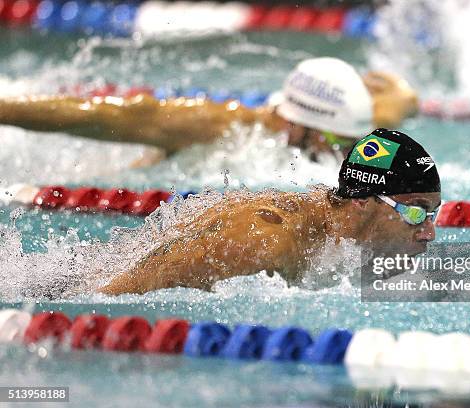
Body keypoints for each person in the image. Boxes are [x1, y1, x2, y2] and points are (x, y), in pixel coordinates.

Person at [100, 128, 441, 295]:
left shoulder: (345, 244)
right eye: (416, 212)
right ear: (363, 201)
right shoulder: (265, 239)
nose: (429, 233)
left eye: (433, 214)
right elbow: (114, 293)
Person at [0, 58, 419, 165]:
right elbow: (93, 113)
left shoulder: (350, 122)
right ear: (295, 122)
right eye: (333, 142)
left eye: (351, 145)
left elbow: (401, 102)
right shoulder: (217, 126)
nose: (342, 154)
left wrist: (403, 93)